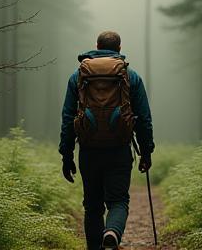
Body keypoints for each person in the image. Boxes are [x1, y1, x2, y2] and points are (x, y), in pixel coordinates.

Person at [59, 31, 155, 250]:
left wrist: (66, 155)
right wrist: (146, 152)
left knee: (92, 206)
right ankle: (111, 232)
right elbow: (144, 118)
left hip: (88, 149)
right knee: (118, 201)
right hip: (119, 149)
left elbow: (67, 118)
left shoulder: (78, 77)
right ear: (119, 49)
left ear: (97, 46)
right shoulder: (131, 76)